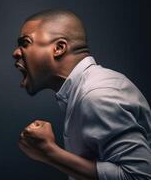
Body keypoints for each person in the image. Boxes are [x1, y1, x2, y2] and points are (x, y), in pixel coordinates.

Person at [13, 10, 151, 180]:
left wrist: (49, 153)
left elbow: (139, 177)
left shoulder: (97, 95)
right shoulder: (81, 92)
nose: (16, 53)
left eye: (25, 43)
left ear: (59, 48)